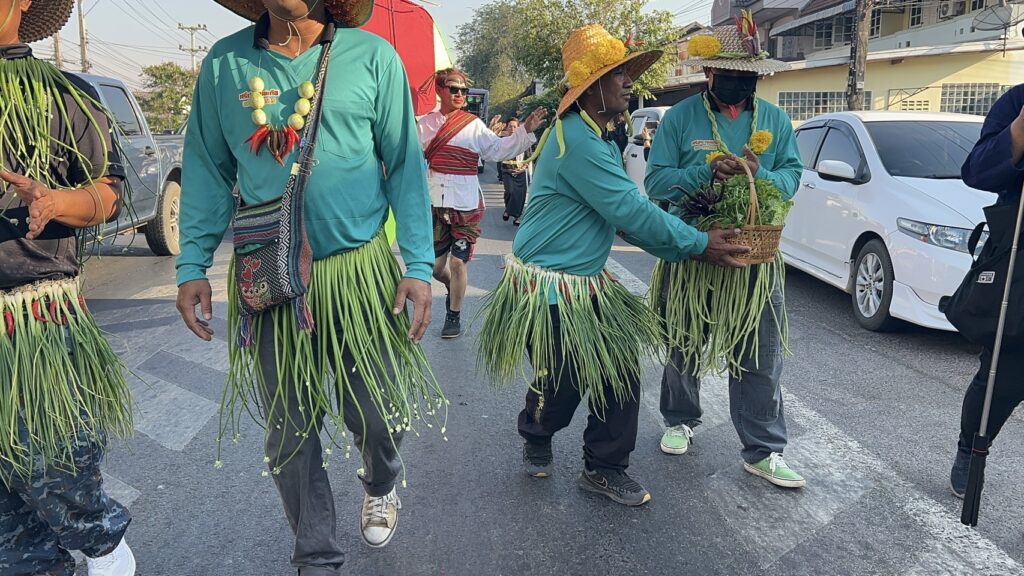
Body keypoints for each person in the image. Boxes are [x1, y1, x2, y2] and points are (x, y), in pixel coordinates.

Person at [175, 1, 445, 573]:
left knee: (376, 411)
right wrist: (192, 264)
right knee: (288, 430)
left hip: (358, 272)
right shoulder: (223, 63)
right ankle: (316, 554)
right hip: (269, 272)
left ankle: (381, 480)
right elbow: (205, 169)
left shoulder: (373, 57)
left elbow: (403, 164)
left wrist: (419, 265)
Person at [477, 24, 749, 507]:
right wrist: (697, 243)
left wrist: (686, 238)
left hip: (588, 282)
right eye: (617, 75)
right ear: (591, 88)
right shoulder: (578, 141)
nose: (628, 82)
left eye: (627, 73)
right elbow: (631, 211)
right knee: (561, 384)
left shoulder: (597, 138)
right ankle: (537, 430)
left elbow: (626, 215)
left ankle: (603, 467)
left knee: (619, 367)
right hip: (549, 286)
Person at [0, 1, 135, 574]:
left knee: (57, 475)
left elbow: (108, 194)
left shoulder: (62, 96)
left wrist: (56, 202)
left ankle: (106, 548)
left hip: (32, 324)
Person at [645, 19, 806, 488]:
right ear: (710, 74)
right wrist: (705, 172)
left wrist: (760, 175)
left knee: (761, 351)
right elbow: (656, 182)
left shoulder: (775, 120)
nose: (739, 84)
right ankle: (680, 419)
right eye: (730, 75)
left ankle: (763, 449)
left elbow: (793, 176)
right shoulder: (679, 118)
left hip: (756, 256)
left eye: (747, 77)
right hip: (694, 250)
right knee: (683, 339)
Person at [418, 69, 547, 338]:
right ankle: (453, 288)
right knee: (435, 267)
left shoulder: (473, 125)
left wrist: (525, 130)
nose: (459, 94)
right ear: (440, 90)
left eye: (463, 90)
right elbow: (408, 156)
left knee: (457, 263)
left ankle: (454, 315)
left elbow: (498, 149)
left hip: (466, 205)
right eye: (453, 89)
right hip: (435, 203)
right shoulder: (424, 124)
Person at [949, 82, 1024, 498]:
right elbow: (977, 171)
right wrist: (1019, 131)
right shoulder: (1018, 101)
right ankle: (971, 447)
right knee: (1004, 374)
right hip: (1020, 257)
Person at [499, 116, 531, 225]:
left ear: (518, 128)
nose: (512, 129)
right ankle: (508, 210)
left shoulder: (524, 141)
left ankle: (517, 217)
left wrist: (523, 168)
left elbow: (529, 157)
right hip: (507, 170)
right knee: (510, 192)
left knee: (520, 195)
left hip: (520, 171)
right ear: (506, 128)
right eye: (510, 127)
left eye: (514, 127)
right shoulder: (503, 141)